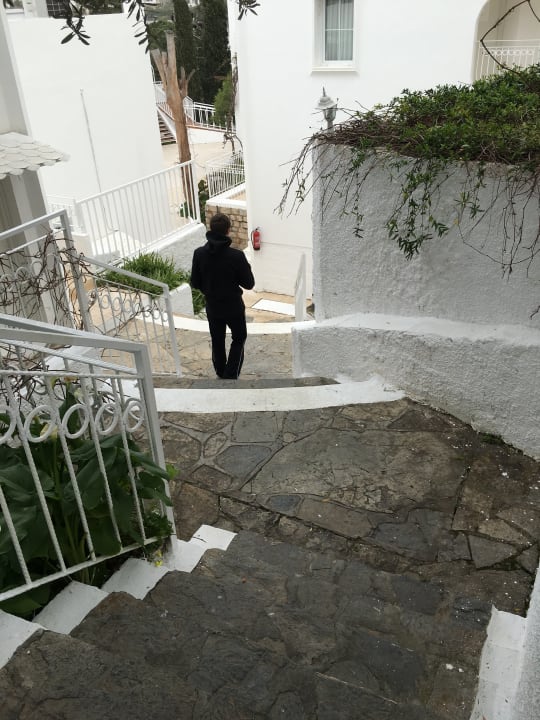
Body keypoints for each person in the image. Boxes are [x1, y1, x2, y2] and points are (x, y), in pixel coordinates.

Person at [191, 213, 255, 379]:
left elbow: (195, 282)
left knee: (217, 339)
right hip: (234, 306)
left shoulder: (199, 254)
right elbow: (249, 284)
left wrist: (209, 289)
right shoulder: (237, 256)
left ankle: (220, 372)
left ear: (211, 229)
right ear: (228, 230)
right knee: (239, 338)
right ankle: (231, 375)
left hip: (213, 306)